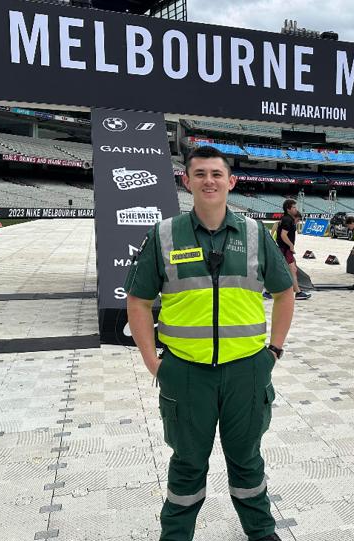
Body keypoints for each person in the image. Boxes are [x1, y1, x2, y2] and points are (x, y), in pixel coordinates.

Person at [125, 145, 295, 541]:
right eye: (199, 174)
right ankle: (176, 535)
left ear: (231, 182)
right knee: (187, 463)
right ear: (186, 181)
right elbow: (138, 301)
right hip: (186, 373)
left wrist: (274, 351)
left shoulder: (254, 234)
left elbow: (285, 293)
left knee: (247, 460)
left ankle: (262, 532)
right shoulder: (164, 234)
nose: (209, 181)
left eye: (216, 174)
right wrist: (154, 362)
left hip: (247, 371)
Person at [276, 199, 311, 300]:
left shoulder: (287, 219)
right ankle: (298, 292)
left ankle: (270, 292)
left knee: (290, 270)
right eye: (294, 207)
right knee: (292, 270)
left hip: (284, 249)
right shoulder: (287, 220)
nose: (296, 209)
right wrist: (291, 246)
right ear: (288, 209)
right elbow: (283, 235)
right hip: (285, 249)